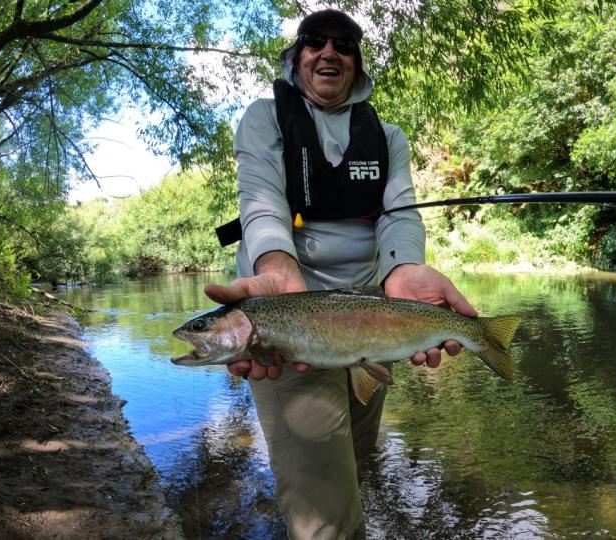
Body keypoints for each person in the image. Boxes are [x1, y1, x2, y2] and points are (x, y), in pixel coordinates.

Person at [205, 9, 477, 539]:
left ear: (356, 63)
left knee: (353, 457)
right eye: (315, 42)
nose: (329, 52)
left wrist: (404, 270)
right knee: (322, 503)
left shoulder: (387, 136)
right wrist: (277, 267)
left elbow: (399, 215)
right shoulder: (264, 119)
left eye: (344, 45)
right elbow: (260, 203)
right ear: (297, 57)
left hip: (371, 317)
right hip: (283, 318)